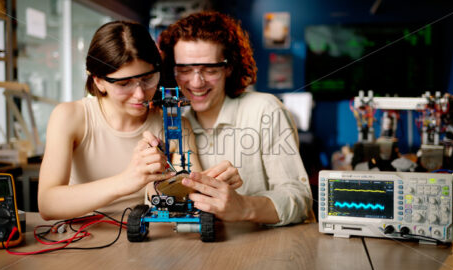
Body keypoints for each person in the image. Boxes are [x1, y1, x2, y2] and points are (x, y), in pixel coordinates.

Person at [159, 11, 312, 226]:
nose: (196, 82)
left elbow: (300, 200)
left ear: (229, 67)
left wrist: (243, 206)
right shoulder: (173, 123)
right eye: (184, 69)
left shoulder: (265, 111)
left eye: (209, 69)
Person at [38, 21, 202, 220]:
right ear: (99, 81)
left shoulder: (174, 125)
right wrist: (127, 181)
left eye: (148, 78)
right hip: (85, 240)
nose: (140, 94)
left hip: (150, 242)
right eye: (124, 84)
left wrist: (169, 186)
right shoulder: (70, 117)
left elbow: (193, 197)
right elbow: (48, 204)